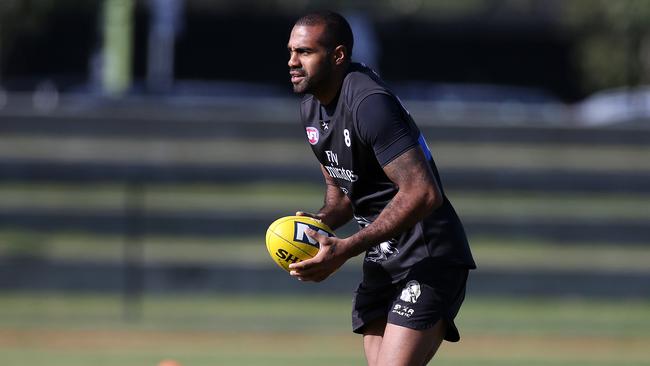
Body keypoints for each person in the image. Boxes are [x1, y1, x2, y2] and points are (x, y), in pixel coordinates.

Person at [286, 11, 476, 366]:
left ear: (338, 56)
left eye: (305, 52)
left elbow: (423, 192)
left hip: (428, 255)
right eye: (291, 51)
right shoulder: (311, 109)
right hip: (383, 259)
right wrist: (320, 222)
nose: (292, 62)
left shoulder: (368, 102)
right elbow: (342, 191)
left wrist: (346, 249)